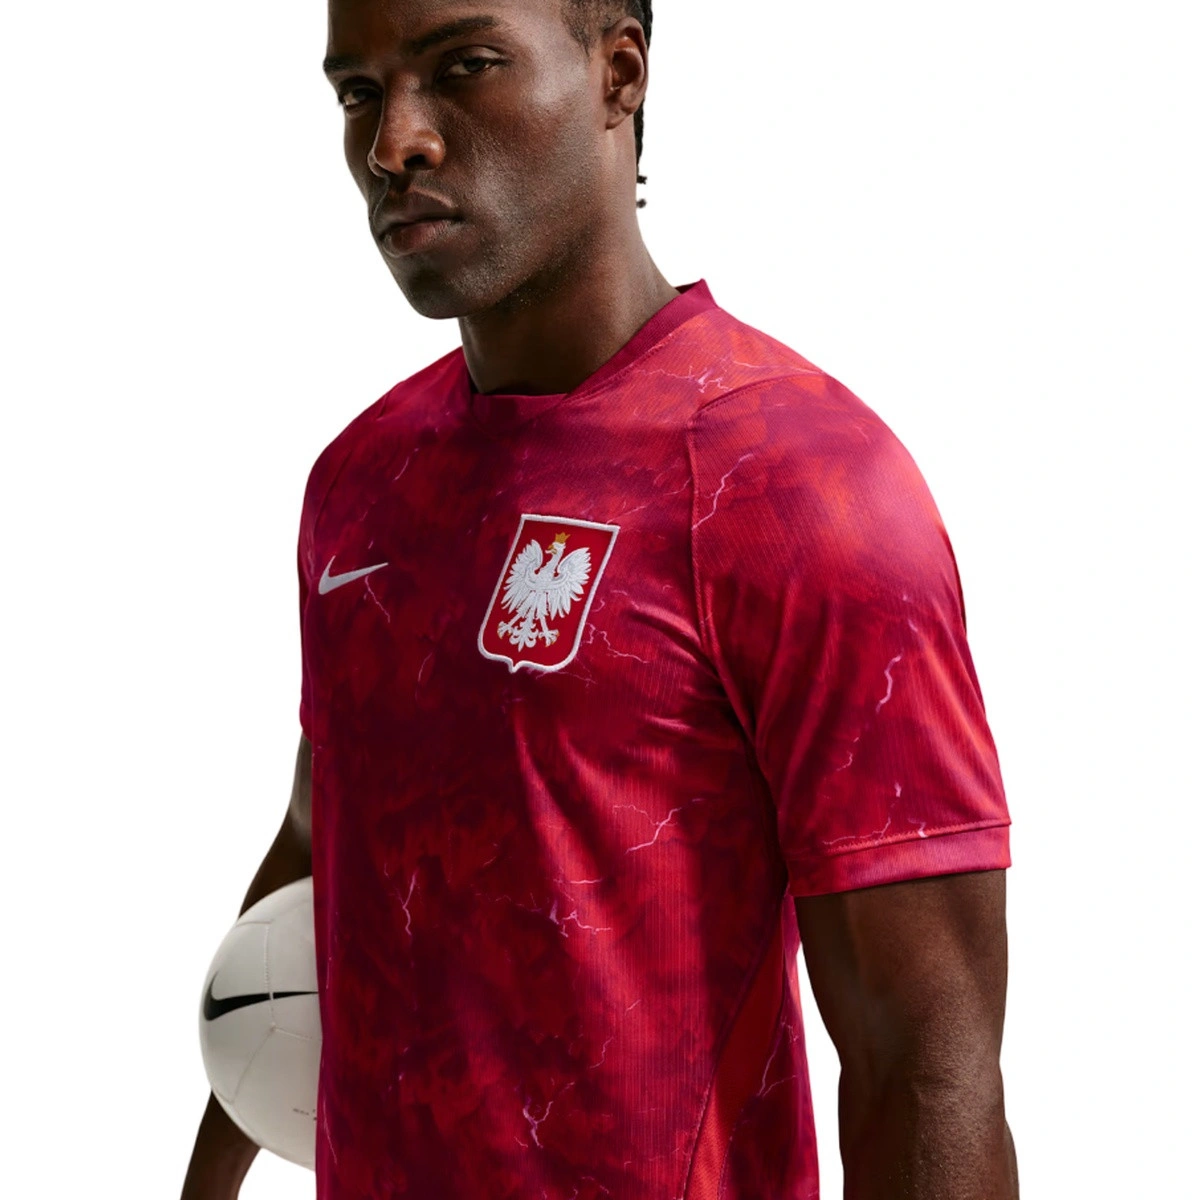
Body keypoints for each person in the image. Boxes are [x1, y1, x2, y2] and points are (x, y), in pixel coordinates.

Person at [182, 1, 1019, 1197]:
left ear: (619, 72)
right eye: (358, 92)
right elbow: (325, 845)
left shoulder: (799, 485)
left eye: (464, 67)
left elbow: (924, 1064)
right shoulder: (362, 480)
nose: (395, 142)